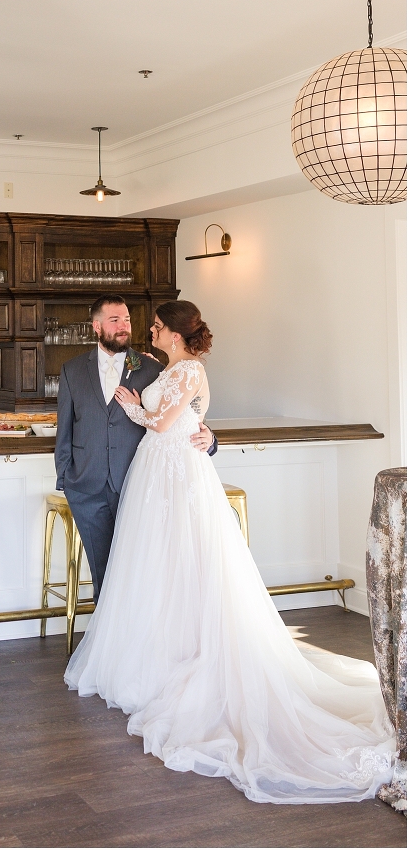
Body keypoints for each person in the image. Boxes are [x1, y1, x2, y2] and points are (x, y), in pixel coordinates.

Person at [65, 301, 395, 804]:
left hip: (172, 477)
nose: (138, 330)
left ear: (172, 334)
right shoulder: (130, 367)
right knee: (150, 571)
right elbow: (168, 417)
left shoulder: (164, 367)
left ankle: (183, 659)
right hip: (136, 479)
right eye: (124, 321)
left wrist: (157, 414)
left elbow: (171, 419)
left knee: (185, 566)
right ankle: (153, 652)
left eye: (149, 324)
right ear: (96, 326)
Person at [55, 295, 217, 602]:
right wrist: (66, 477)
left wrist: (210, 438)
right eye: (114, 320)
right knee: (103, 571)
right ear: (96, 326)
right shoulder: (72, 370)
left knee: (145, 568)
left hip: (141, 486)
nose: (123, 326)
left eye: (127, 319)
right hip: (87, 487)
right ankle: (112, 641)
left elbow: (185, 412)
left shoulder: (153, 367)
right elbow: (65, 428)